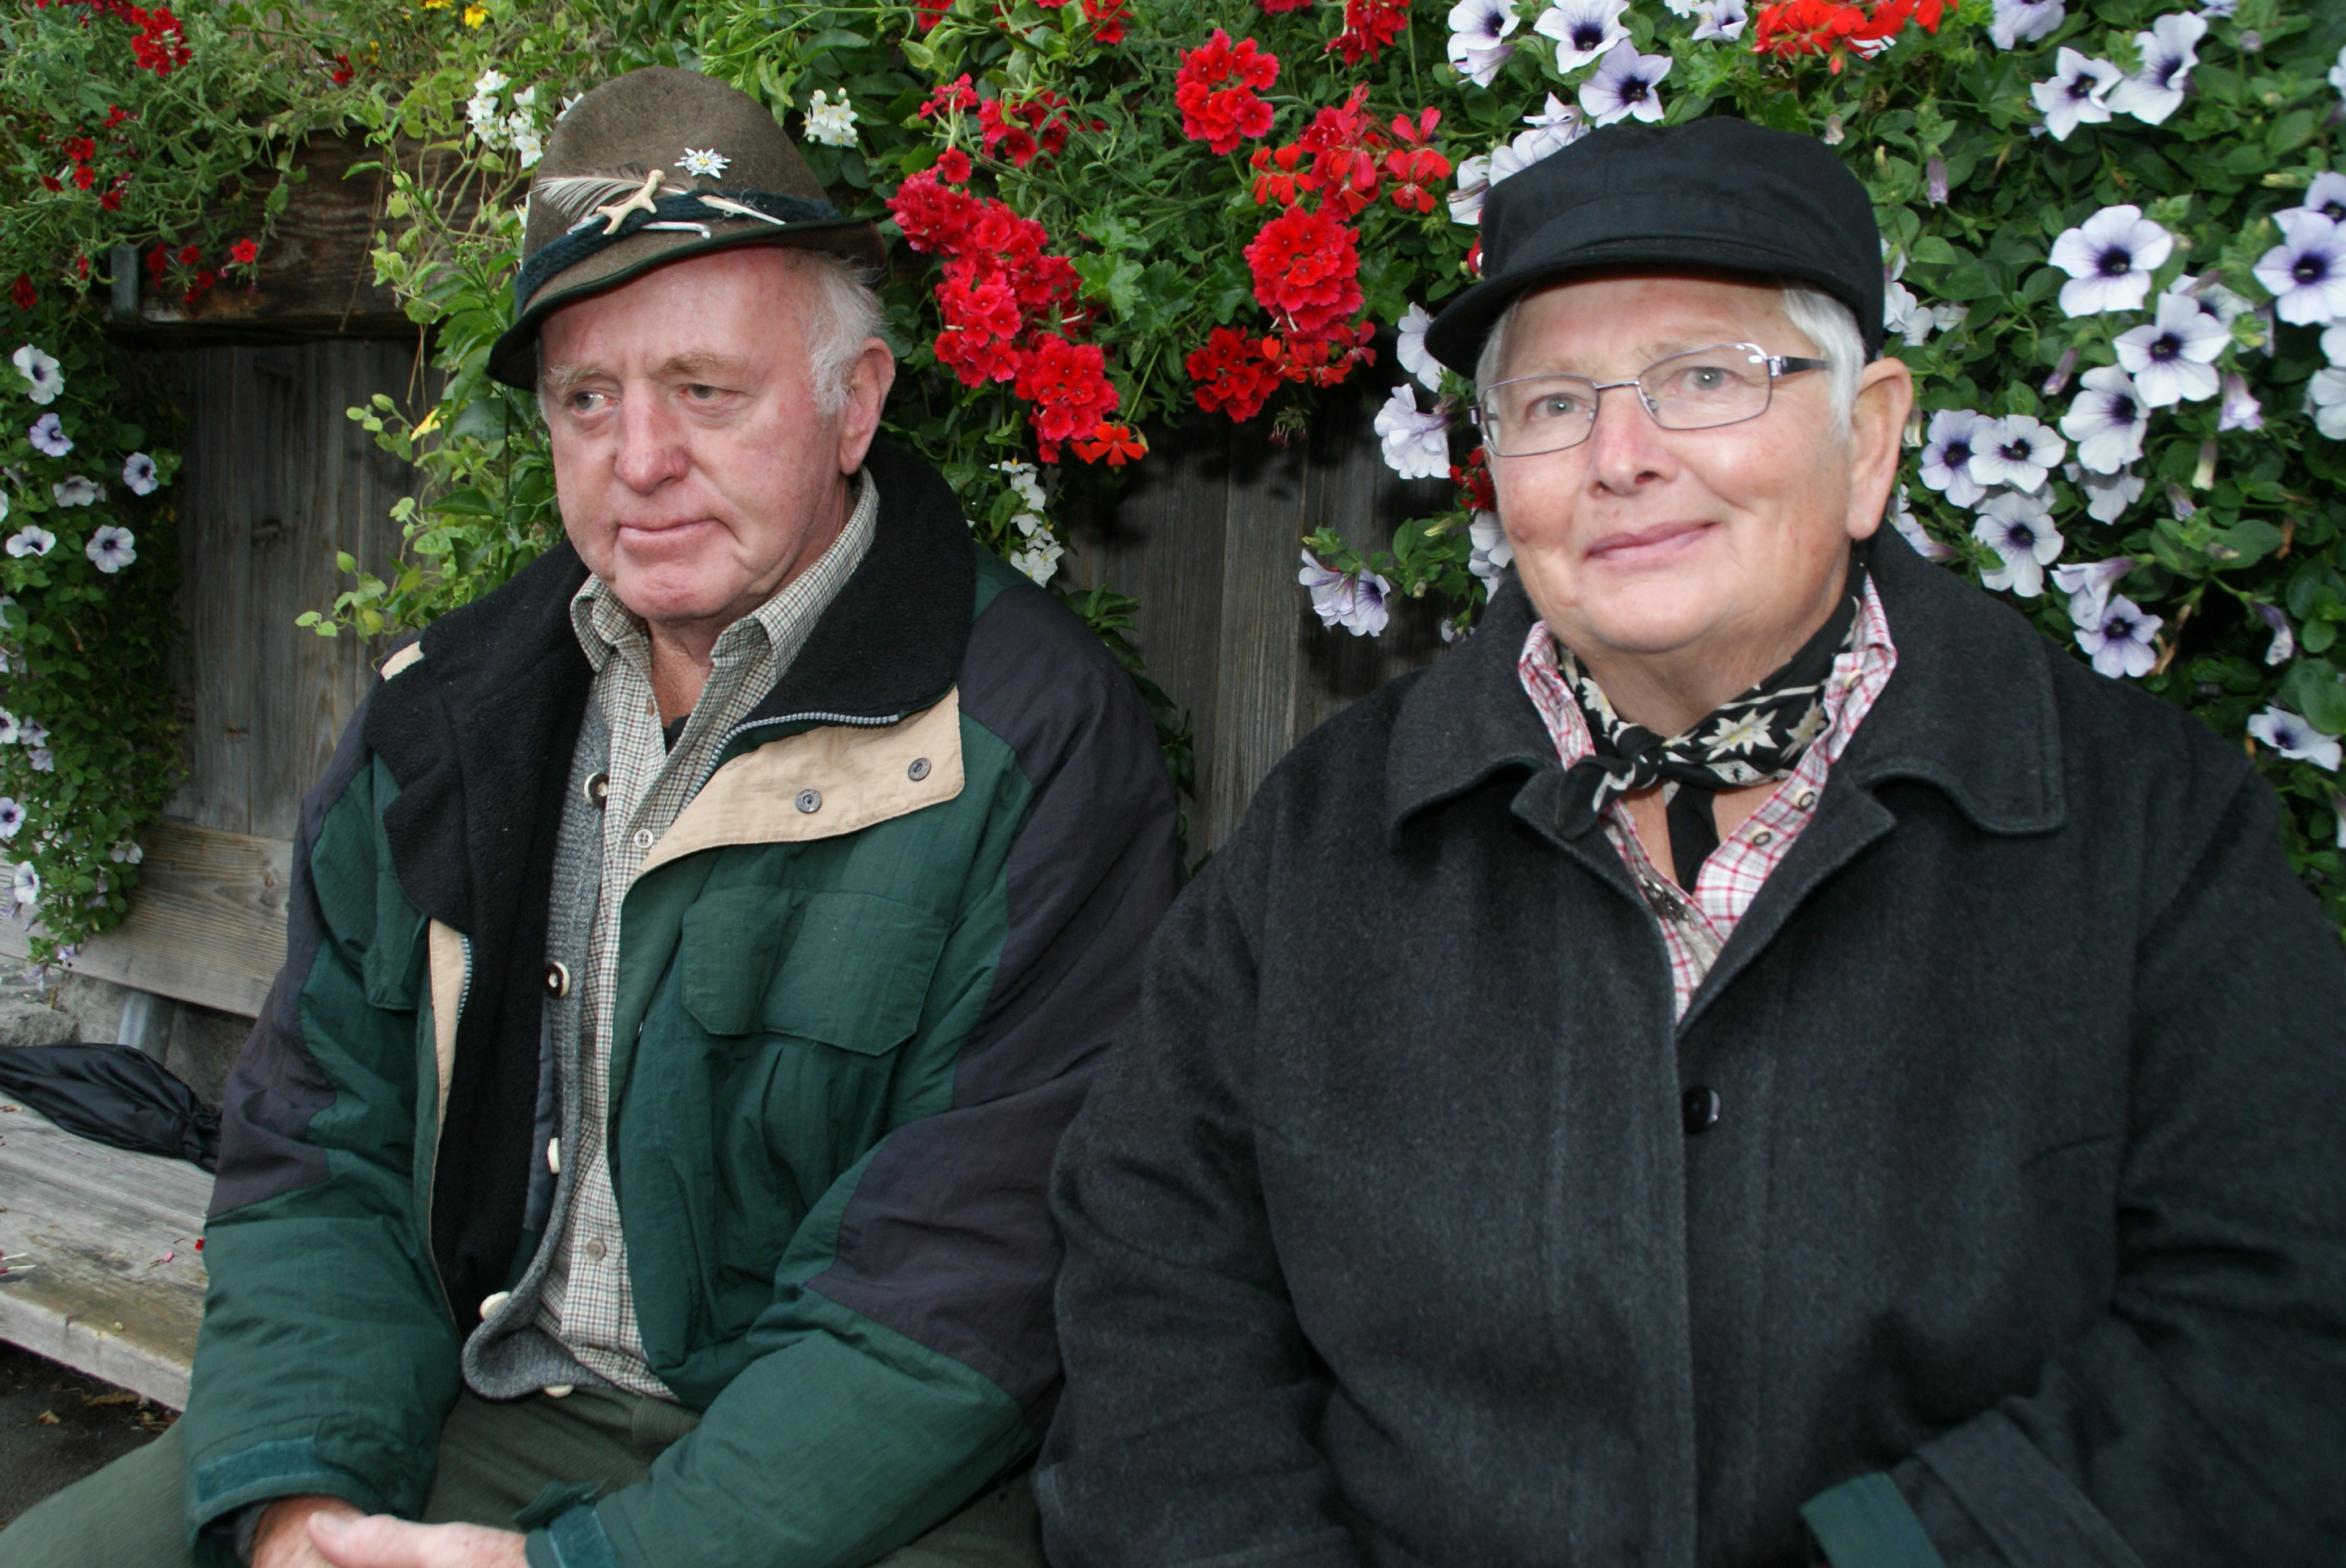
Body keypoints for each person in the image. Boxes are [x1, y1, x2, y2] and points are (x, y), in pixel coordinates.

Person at [1035, 117, 2346, 1567]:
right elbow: (1158, 1289)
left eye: (1706, 378)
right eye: (1551, 404)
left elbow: (2278, 1324)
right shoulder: (1330, 832)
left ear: (1869, 438)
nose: (1621, 458)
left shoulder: (2145, 823)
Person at [0, 66, 1179, 1568]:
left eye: (705, 390)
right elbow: (315, 1160)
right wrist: (301, 1504)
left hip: (870, 1475)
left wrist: (582, 1566)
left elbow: (962, 1293)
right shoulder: (447, 716)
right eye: (586, 399)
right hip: (480, 1393)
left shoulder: (1032, 741)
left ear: (854, 403)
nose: (641, 460)